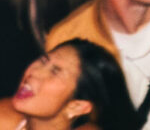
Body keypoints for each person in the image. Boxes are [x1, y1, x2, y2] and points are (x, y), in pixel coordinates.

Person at [0, 38, 137, 130]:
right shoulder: (6, 116)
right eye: (43, 61)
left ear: (76, 106)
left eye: (55, 72)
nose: (34, 72)